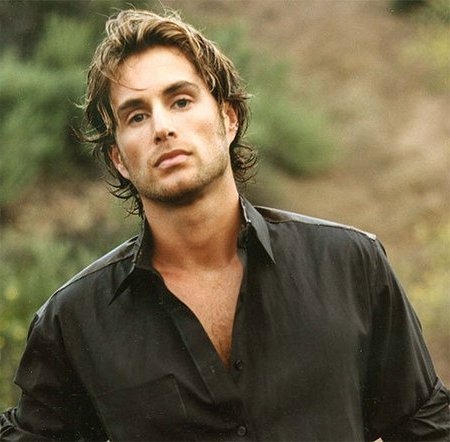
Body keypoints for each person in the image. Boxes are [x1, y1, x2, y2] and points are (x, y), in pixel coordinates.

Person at [1, 9, 448, 442]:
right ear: (118, 158)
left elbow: (426, 425)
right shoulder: (75, 320)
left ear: (228, 119)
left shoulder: (349, 265)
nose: (162, 128)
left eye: (180, 101)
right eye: (136, 115)